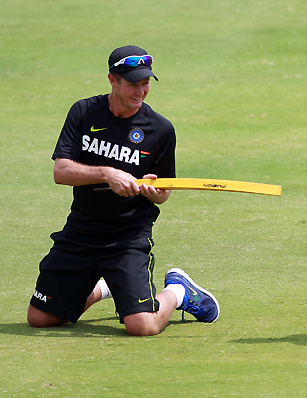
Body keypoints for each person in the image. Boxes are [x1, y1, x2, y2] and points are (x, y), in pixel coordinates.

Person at [27, 45, 220, 336]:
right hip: (81, 231)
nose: (140, 91)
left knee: (142, 326)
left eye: (145, 84)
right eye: (133, 84)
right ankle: (108, 287)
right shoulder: (83, 112)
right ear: (112, 80)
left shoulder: (161, 129)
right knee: (40, 319)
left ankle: (179, 292)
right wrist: (107, 173)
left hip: (127, 237)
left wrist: (151, 192)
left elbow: (164, 193)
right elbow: (61, 171)